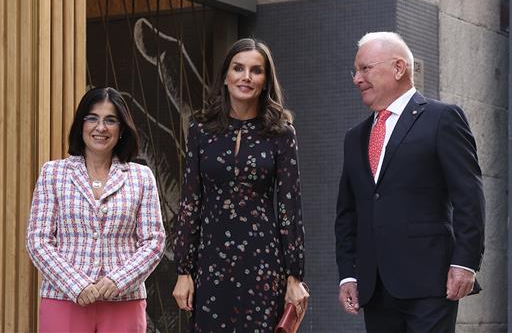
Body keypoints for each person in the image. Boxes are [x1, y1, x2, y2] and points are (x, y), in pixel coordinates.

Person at [335, 32, 485, 332]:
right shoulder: (355, 137)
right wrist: (348, 275)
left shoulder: (443, 119)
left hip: (431, 282)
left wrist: (465, 263)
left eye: (365, 68)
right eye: (356, 71)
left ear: (399, 68)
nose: (357, 79)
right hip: (375, 286)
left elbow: (469, 197)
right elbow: (348, 212)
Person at [172, 38, 309, 332]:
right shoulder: (201, 130)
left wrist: (294, 277)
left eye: (255, 71)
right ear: (225, 75)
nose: (246, 77)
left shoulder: (281, 134)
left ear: (265, 81)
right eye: (238, 68)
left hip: (262, 262)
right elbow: (190, 203)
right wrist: (184, 270)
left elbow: (289, 208)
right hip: (210, 262)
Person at [26, 87, 166, 332]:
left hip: (124, 301)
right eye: (92, 118)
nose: (100, 127)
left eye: (110, 120)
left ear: (121, 130)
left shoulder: (142, 177)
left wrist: (118, 281)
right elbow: (38, 240)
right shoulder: (53, 172)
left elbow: (154, 241)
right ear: (81, 124)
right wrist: (76, 285)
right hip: (64, 299)